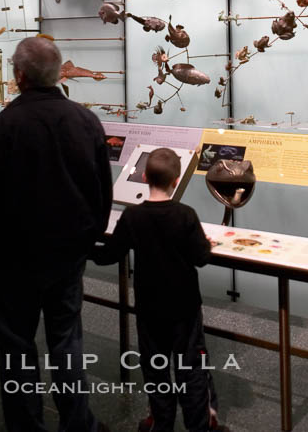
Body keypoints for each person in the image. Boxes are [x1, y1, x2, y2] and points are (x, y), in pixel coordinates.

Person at [0, 37, 112, 432]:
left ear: (19, 75)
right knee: (67, 343)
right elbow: (101, 195)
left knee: (16, 349)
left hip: (13, 261)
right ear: (59, 72)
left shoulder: (0, 128)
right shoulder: (86, 121)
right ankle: (78, 424)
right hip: (67, 258)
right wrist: (86, 241)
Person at [92, 147, 230, 432]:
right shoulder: (186, 215)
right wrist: (206, 244)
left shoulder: (132, 217)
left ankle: (161, 421)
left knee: (155, 368)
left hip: (149, 307)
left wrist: (81, 245)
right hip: (185, 309)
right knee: (192, 367)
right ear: (176, 181)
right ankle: (199, 424)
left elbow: (108, 255)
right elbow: (200, 258)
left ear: (144, 177)